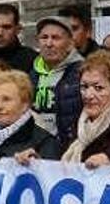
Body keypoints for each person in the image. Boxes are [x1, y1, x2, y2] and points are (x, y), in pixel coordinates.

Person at [17, 51, 110, 169]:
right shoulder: (78, 124)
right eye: (84, 87)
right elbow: (65, 172)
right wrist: (39, 166)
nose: (88, 95)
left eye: (98, 88)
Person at [0, 71, 61, 165]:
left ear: (25, 104)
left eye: (6, 99)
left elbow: (51, 176)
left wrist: (37, 164)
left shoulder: (45, 142)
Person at [30, 16, 83, 148]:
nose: (49, 43)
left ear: (70, 43)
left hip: (69, 151)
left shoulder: (83, 72)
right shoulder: (32, 74)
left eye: (56, 38)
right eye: (44, 37)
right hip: (37, 151)